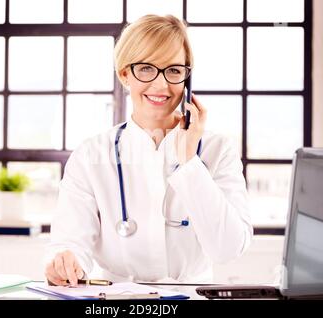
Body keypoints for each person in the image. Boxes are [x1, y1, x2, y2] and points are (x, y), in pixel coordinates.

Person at [45, 14, 253, 286]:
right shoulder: (90, 154)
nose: (161, 84)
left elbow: (227, 249)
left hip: (191, 294)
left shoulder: (217, 150)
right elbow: (71, 242)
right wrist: (66, 263)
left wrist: (189, 162)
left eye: (174, 70)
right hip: (118, 299)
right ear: (124, 74)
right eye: (145, 68)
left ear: (186, 78)